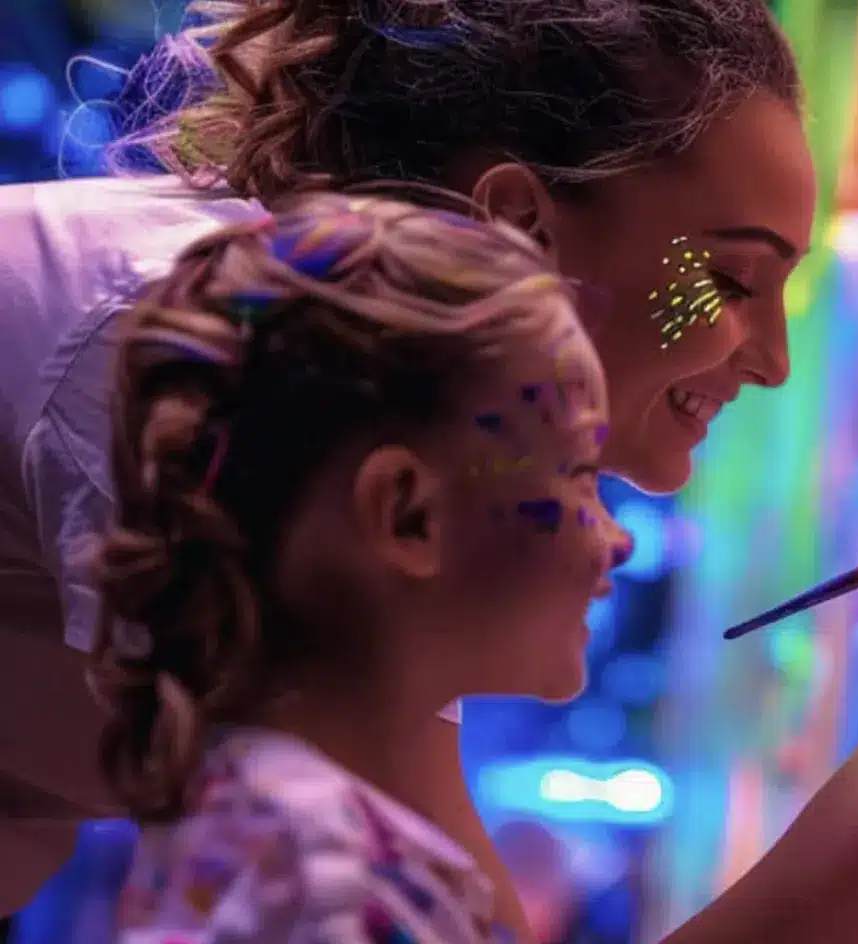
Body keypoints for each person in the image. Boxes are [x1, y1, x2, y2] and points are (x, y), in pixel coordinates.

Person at [0, 1, 858, 938]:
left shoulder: (333, 413)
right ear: (517, 226)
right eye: (725, 281)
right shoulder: (205, 355)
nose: (769, 361)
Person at [91, 192, 634, 941]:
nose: (618, 537)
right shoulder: (320, 874)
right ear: (409, 515)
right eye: (578, 471)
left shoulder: (270, 825)